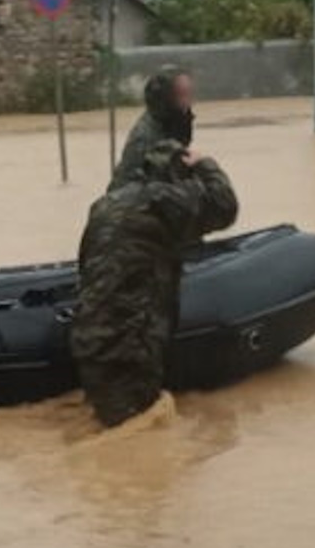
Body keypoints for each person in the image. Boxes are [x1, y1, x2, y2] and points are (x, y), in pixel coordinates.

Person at [72, 139, 238, 429]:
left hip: (89, 340)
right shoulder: (164, 200)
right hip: (130, 348)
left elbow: (85, 266)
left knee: (108, 428)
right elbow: (225, 205)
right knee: (137, 438)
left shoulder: (104, 205)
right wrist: (204, 164)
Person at [109, 66, 195, 193]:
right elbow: (138, 187)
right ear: (166, 98)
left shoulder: (174, 123)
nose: (188, 102)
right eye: (181, 95)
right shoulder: (146, 137)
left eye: (189, 94)